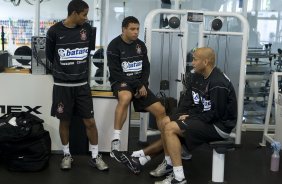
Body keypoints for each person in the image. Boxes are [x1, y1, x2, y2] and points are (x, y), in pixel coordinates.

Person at [154, 47, 238, 183]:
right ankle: (169, 164)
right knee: (164, 122)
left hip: (219, 126)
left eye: (195, 59)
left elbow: (216, 114)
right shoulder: (200, 76)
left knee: (170, 128)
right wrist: (186, 114)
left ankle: (179, 177)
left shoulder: (217, 83)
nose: (192, 63)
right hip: (207, 118)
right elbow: (200, 105)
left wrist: (190, 117)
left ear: (205, 62)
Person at [45, 0, 108, 171]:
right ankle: (66, 155)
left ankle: (95, 157)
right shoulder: (54, 31)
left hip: (82, 85)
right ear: (74, 13)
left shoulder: (87, 29)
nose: (86, 18)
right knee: (64, 121)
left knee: (90, 121)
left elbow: (87, 52)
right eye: (84, 14)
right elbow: (51, 56)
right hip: (61, 85)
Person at [106, 16, 166, 168]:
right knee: (125, 97)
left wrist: (143, 85)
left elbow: (146, 67)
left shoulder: (140, 45)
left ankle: (167, 142)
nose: (136, 32)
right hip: (121, 82)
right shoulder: (114, 46)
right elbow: (116, 73)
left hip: (139, 84)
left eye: (137, 29)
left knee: (160, 110)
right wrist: (138, 85)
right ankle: (116, 140)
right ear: (124, 29)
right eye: (132, 29)